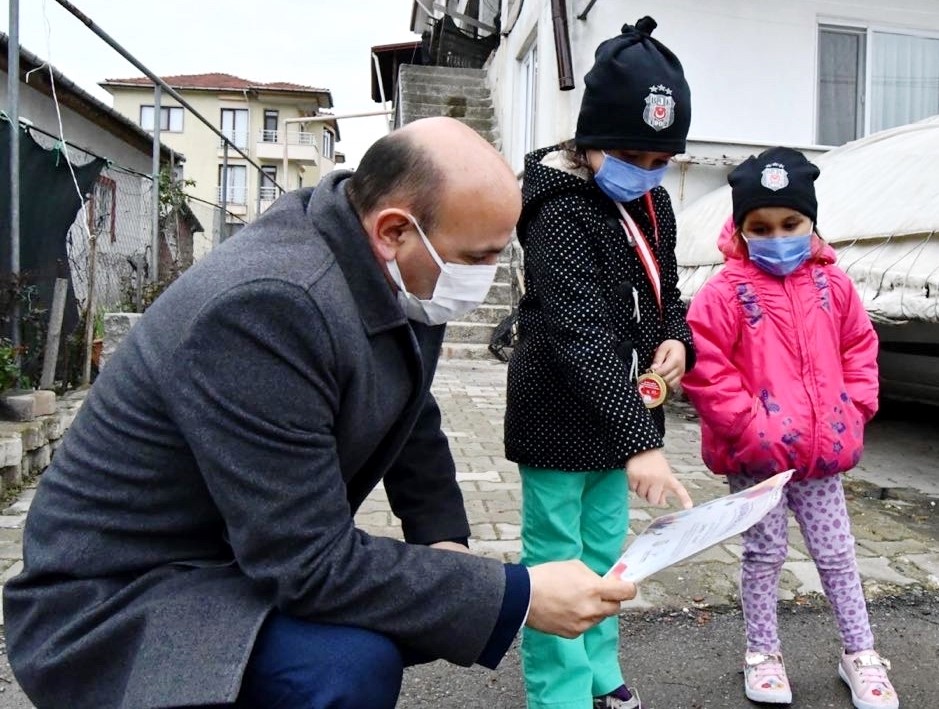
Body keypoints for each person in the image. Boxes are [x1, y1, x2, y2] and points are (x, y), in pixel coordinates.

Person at [2, 117, 639, 709]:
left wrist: (443, 540)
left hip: (225, 557)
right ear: (394, 230)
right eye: (478, 258)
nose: (489, 276)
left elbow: (412, 407)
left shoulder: (388, 264)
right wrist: (522, 595)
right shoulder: (268, 307)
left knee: (440, 606)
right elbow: (308, 564)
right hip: (115, 598)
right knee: (346, 664)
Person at [504, 17, 696, 709]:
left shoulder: (652, 202)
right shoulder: (555, 209)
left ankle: (598, 669)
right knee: (556, 558)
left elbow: (665, 292)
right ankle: (557, 692)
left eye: (658, 160)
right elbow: (578, 334)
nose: (643, 172)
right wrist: (642, 443)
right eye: (628, 154)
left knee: (608, 555)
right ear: (586, 140)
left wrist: (675, 340)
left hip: (621, 418)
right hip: (557, 412)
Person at [681, 147, 899, 709]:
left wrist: (855, 408)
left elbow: (859, 350)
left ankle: (861, 653)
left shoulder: (836, 287)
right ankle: (762, 653)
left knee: (838, 554)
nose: (777, 236)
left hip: (822, 456)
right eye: (761, 227)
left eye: (790, 224)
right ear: (742, 228)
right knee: (762, 555)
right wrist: (750, 427)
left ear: (811, 223)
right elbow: (706, 365)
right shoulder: (725, 292)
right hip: (757, 459)